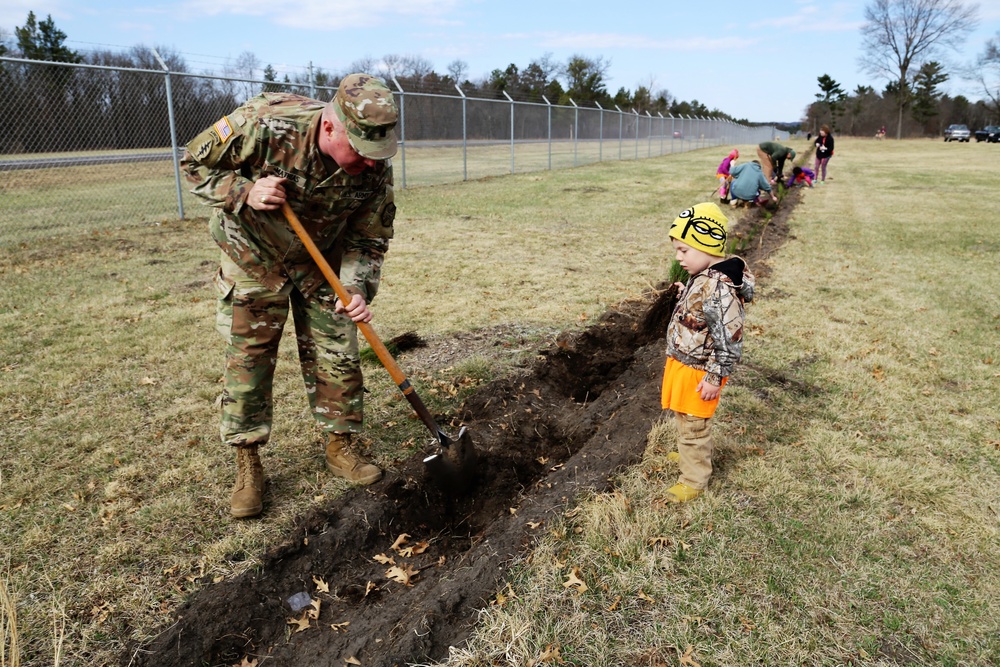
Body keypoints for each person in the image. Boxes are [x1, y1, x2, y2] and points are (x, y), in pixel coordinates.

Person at [181, 73, 399, 518]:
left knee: (337, 349)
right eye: (360, 152)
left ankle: (340, 445)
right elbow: (192, 163)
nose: (369, 163)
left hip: (322, 262)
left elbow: (370, 237)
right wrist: (243, 190)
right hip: (254, 255)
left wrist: (357, 286)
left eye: (377, 154)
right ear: (332, 126)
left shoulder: (373, 165)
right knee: (251, 357)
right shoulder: (264, 122)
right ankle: (248, 461)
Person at [662, 203, 755, 502]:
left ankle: (694, 479)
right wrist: (684, 293)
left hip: (702, 370)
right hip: (687, 362)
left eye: (683, 250)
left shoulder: (719, 287)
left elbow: (729, 339)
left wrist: (715, 376)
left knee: (694, 424)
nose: (678, 256)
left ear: (706, 245)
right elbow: (701, 312)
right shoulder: (705, 277)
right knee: (685, 417)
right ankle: (691, 456)